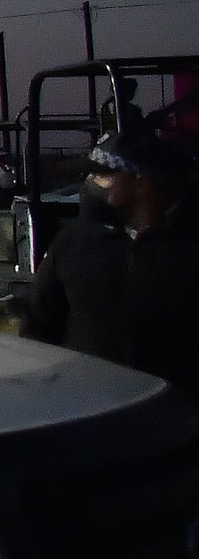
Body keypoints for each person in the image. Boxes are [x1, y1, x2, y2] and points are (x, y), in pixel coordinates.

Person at [19, 125, 198, 392]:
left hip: (172, 410)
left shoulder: (188, 248)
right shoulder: (73, 243)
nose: (91, 181)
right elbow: (37, 326)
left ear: (141, 183)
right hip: (87, 405)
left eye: (104, 174)